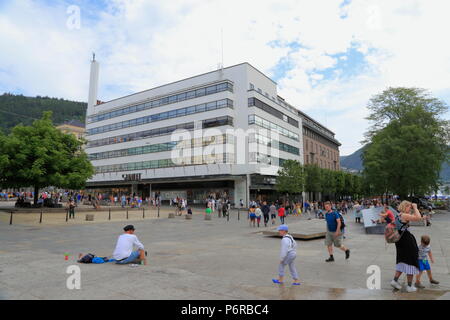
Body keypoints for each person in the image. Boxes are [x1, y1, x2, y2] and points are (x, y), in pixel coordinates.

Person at [390, 201, 423, 292]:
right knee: (411, 262)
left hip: (400, 241)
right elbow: (418, 218)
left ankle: (395, 281)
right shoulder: (404, 215)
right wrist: (416, 207)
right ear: (405, 207)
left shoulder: (399, 215)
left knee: (403, 260)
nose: (411, 208)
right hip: (406, 241)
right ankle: (409, 286)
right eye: (409, 207)